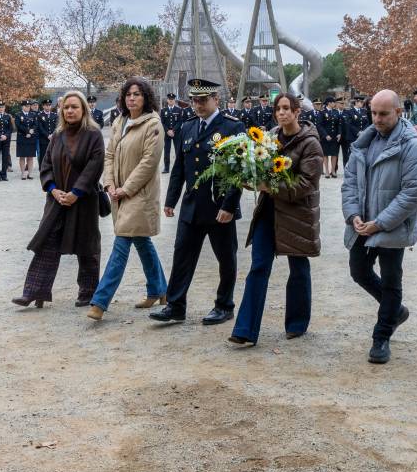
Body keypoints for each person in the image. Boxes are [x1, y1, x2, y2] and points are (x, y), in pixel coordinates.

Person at [342, 90, 417, 364]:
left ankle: (381, 337)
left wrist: (380, 223)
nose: (377, 119)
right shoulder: (363, 142)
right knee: (359, 272)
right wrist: (353, 214)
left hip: (391, 227)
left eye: (384, 114)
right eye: (373, 113)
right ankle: (396, 312)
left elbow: (413, 192)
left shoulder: (411, 146)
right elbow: (350, 183)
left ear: (398, 113)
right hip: (362, 225)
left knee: (392, 281)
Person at [228, 93, 323, 346]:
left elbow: (307, 183)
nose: (281, 113)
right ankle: (245, 329)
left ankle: (297, 323)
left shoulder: (310, 143)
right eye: (278, 109)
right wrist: (249, 179)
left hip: (297, 214)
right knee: (259, 266)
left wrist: (272, 187)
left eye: (286, 109)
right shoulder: (268, 138)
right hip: (268, 212)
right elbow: (258, 169)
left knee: (298, 268)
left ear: (296, 112)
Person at [149, 78, 245, 326]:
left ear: (216, 100)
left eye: (203, 101)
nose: (198, 105)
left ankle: (224, 305)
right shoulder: (188, 127)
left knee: (226, 258)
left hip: (218, 207)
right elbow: (179, 166)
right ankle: (175, 305)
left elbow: (239, 172)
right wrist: (171, 200)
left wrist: (229, 206)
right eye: (194, 101)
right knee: (182, 255)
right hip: (191, 206)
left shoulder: (233, 128)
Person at [86, 78, 168, 320]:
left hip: (138, 195)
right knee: (142, 242)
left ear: (146, 98)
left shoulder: (153, 124)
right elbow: (109, 154)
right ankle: (159, 290)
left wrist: (126, 189)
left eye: (137, 94)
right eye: (128, 94)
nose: (132, 98)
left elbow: (149, 163)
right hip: (118, 193)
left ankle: (100, 302)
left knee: (121, 245)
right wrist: (110, 184)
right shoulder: (119, 121)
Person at [15, 91, 105, 308]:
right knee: (46, 243)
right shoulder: (57, 135)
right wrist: (54, 190)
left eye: (74, 107)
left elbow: (94, 167)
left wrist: (76, 193)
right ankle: (34, 292)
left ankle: (88, 292)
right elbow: (46, 166)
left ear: (83, 109)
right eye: (66, 107)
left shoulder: (93, 134)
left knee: (87, 246)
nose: (70, 111)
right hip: (57, 200)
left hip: (83, 200)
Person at [318, 96, 342, 178]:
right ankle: (327, 171)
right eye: (333, 102)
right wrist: (325, 135)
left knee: (334, 154)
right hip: (325, 137)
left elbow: (339, 124)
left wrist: (339, 133)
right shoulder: (322, 112)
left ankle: (333, 171)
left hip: (334, 136)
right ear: (329, 103)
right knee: (325, 154)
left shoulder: (336, 112)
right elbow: (320, 125)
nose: (335, 104)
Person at [15, 100, 39, 180]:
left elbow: (36, 124)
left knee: (30, 156)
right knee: (22, 156)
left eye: (29, 106)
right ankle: (23, 173)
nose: (28, 108)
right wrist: (27, 132)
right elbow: (18, 125)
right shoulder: (18, 115)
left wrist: (31, 131)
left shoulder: (33, 114)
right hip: (22, 137)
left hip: (31, 137)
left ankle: (30, 173)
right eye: (26, 106)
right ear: (22, 107)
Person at [160, 93, 181, 174]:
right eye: (169, 99)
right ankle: (166, 167)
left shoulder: (178, 110)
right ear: (167, 100)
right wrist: (168, 131)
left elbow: (180, 121)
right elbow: (162, 122)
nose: (171, 101)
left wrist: (173, 130)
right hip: (167, 133)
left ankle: (178, 168)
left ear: (174, 100)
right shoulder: (163, 110)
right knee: (166, 151)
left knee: (177, 151)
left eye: (172, 100)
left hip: (176, 133)